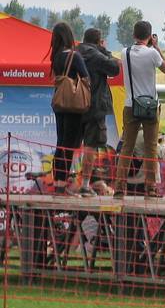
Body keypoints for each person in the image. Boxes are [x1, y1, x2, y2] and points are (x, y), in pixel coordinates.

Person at [114, 20, 165, 198]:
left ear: (133, 35)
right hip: (151, 106)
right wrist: (157, 47)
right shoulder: (152, 53)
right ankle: (150, 187)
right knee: (151, 148)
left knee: (127, 147)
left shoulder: (124, 52)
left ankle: (120, 187)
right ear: (149, 36)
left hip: (130, 105)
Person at [75, 27, 121, 196]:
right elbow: (114, 69)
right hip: (94, 107)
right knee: (90, 146)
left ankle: (63, 183)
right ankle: (86, 185)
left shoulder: (75, 51)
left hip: (74, 106)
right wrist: (104, 50)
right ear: (98, 41)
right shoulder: (96, 55)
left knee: (71, 145)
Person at [48, 22, 91, 196]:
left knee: (60, 143)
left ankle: (58, 183)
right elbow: (86, 78)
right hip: (73, 105)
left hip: (59, 104)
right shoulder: (75, 56)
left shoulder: (56, 56)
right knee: (70, 144)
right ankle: (63, 182)